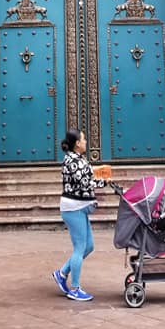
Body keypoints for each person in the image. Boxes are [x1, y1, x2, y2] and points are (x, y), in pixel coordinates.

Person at [51, 129, 111, 301]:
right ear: (77, 143)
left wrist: (100, 173)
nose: (86, 141)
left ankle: (61, 273)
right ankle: (75, 288)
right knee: (79, 248)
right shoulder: (71, 160)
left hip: (80, 207)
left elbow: (87, 174)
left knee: (88, 246)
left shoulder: (77, 158)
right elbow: (84, 183)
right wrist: (103, 182)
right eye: (83, 139)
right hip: (73, 208)